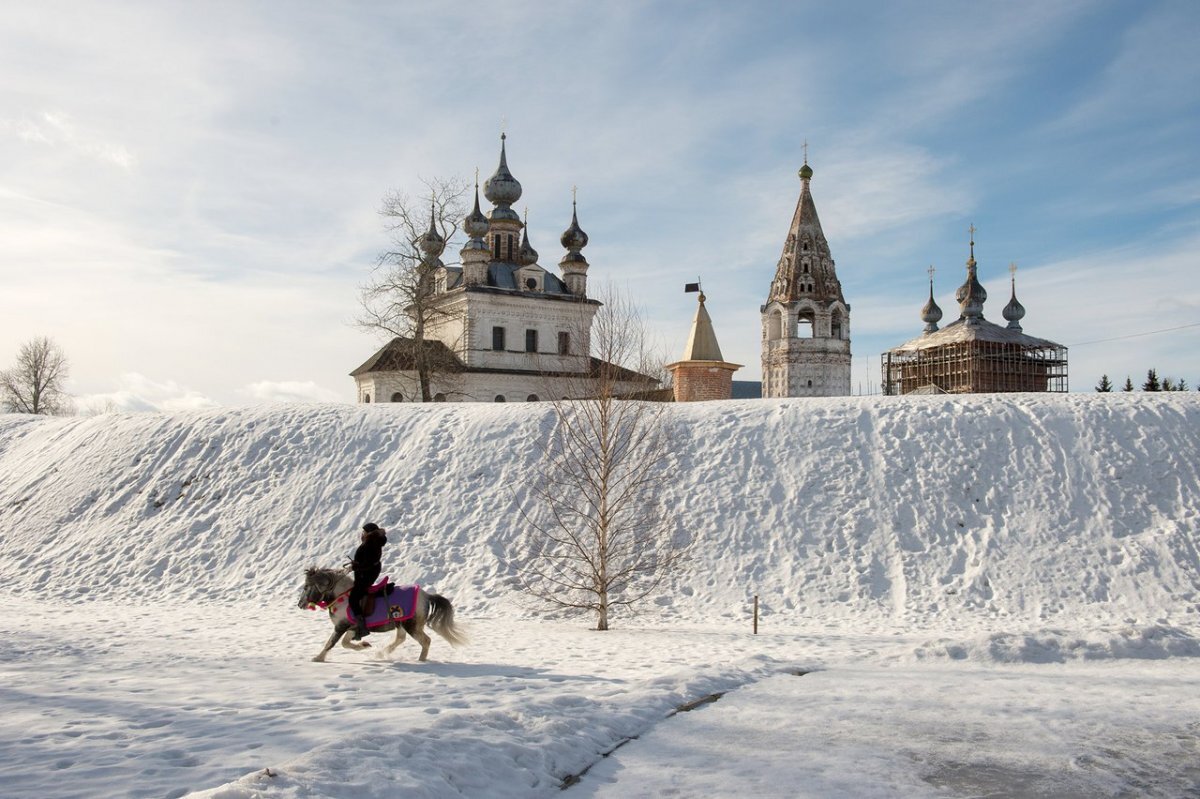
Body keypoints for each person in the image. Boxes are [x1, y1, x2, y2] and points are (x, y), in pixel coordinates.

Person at [349, 522, 388, 640]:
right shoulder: (374, 541)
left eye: (364, 532)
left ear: (368, 533)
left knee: (353, 598)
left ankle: (362, 628)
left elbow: (368, 563)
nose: (362, 534)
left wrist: (357, 566)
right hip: (368, 573)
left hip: (366, 575)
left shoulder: (370, 543)